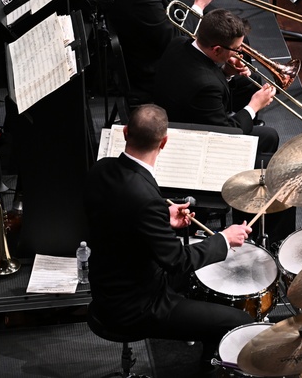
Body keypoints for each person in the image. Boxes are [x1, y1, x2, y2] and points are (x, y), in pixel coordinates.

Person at [84, 104, 253, 368]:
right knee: (237, 323)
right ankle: (209, 370)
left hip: (106, 285)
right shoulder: (146, 199)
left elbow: (121, 213)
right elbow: (176, 261)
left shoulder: (102, 168)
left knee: (204, 287)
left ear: (126, 132)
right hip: (135, 306)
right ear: (164, 141)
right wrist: (223, 239)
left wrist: (164, 215)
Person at [153, 9, 296, 248]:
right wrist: (253, 106)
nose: (240, 53)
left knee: (268, 136)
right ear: (217, 49)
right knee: (277, 176)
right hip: (190, 150)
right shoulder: (205, 85)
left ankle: (248, 220)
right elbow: (229, 134)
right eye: (236, 49)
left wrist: (227, 72)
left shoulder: (180, 43)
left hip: (185, 121)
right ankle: (272, 243)